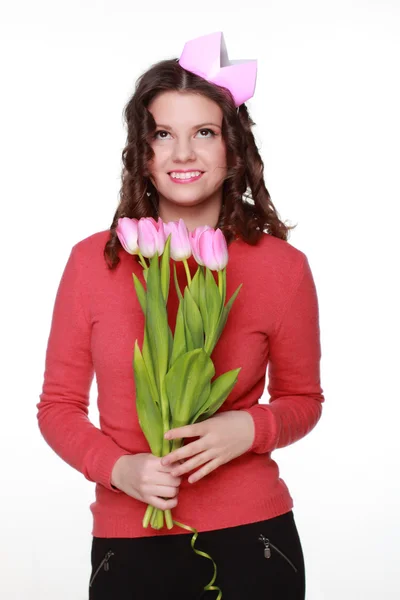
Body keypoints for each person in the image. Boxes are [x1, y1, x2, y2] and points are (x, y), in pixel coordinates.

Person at [37, 32, 325, 599]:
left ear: (233, 148)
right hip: (130, 541)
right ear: (140, 152)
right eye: (163, 135)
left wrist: (250, 428)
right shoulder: (93, 262)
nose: (183, 154)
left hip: (255, 541)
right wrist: (120, 470)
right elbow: (57, 407)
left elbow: (304, 401)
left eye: (204, 133)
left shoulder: (282, 268)